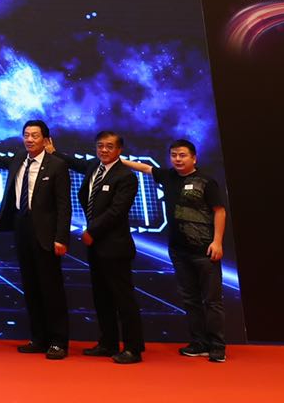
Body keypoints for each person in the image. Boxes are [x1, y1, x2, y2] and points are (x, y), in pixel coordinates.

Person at [0, 119, 72, 359]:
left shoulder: (57, 165)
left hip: (47, 234)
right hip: (22, 228)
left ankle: (58, 341)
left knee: (51, 289)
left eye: (34, 135)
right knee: (31, 287)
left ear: (45, 139)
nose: (29, 139)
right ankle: (39, 338)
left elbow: (64, 205)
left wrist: (61, 237)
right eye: (26, 135)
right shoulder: (19, 159)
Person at [123, 139, 228, 362]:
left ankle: (217, 346)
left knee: (212, 301)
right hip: (179, 252)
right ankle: (199, 343)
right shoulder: (168, 176)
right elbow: (145, 168)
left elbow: (219, 211)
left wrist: (217, 242)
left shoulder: (206, 181)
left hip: (205, 251)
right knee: (190, 300)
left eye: (182, 155)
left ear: (194, 158)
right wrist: (119, 160)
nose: (177, 159)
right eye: (174, 155)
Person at [66, 130, 144, 364]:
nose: (104, 150)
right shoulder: (94, 167)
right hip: (96, 247)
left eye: (109, 146)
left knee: (123, 299)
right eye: (100, 146)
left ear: (119, 150)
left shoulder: (126, 177)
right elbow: (75, 165)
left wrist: (92, 230)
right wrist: (53, 151)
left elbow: (117, 211)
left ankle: (132, 348)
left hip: (115, 246)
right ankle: (108, 343)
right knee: (101, 297)